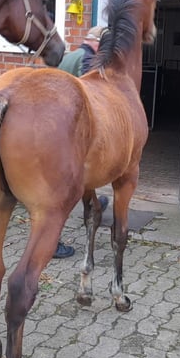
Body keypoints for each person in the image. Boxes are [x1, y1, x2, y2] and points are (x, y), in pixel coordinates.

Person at [53, 25, 110, 258]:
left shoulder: (70, 57)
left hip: (55, 126)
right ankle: (52, 243)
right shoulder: (87, 61)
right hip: (71, 132)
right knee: (63, 191)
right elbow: (90, 94)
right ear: (97, 44)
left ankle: (95, 205)